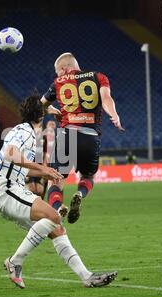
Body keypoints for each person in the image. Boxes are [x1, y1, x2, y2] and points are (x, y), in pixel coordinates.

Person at [0, 93, 117, 288]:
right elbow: (10, 153)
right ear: (39, 115)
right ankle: (15, 262)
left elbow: (20, 164)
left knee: (56, 228)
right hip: (6, 190)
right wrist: (42, 169)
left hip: (12, 190)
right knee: (54, 216)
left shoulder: (30, 131)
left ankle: (87, 277)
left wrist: (46, 174)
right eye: (44, 110)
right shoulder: (23, 130)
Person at [40, 52, 124, 224]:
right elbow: (106, 98)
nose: (58, 76)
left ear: (64, 69)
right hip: (91, 137)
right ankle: (79, 194)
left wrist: (54, 111)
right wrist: (114, 115)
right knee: (88, 176)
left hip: (66, 135)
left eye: (58, 72)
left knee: (56, 180)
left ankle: (58, 207)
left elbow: (40, 105)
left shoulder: (58, 83)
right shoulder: (98, 77)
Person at [24, 115, 58, 199]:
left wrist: (44, 165)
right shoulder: (27, 136)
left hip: (39, 166)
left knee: (39, 190)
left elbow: (45, 152)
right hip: (29, 166)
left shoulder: (43, 137)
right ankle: (28, 205)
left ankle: (39, 204)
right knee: (31, 188)